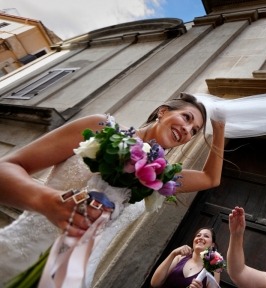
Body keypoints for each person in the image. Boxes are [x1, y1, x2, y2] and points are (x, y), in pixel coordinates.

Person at [0, 92, 225, 286]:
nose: (187, 130)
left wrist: (220, 126)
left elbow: (210, 178)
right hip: (16, 257)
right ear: (163, 111)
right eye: (186, 118)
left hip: (71, 280)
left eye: (194, 131)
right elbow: (6, 168)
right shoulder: (100, 128)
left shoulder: (162, 177)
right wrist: (47, 201)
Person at [151, 227, 221, 288]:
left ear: (212, 245)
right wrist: (173, 254)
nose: (200, 238)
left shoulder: (214, 269)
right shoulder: (179, 257)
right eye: (198, 235)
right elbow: (155, 283)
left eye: (206, 236)